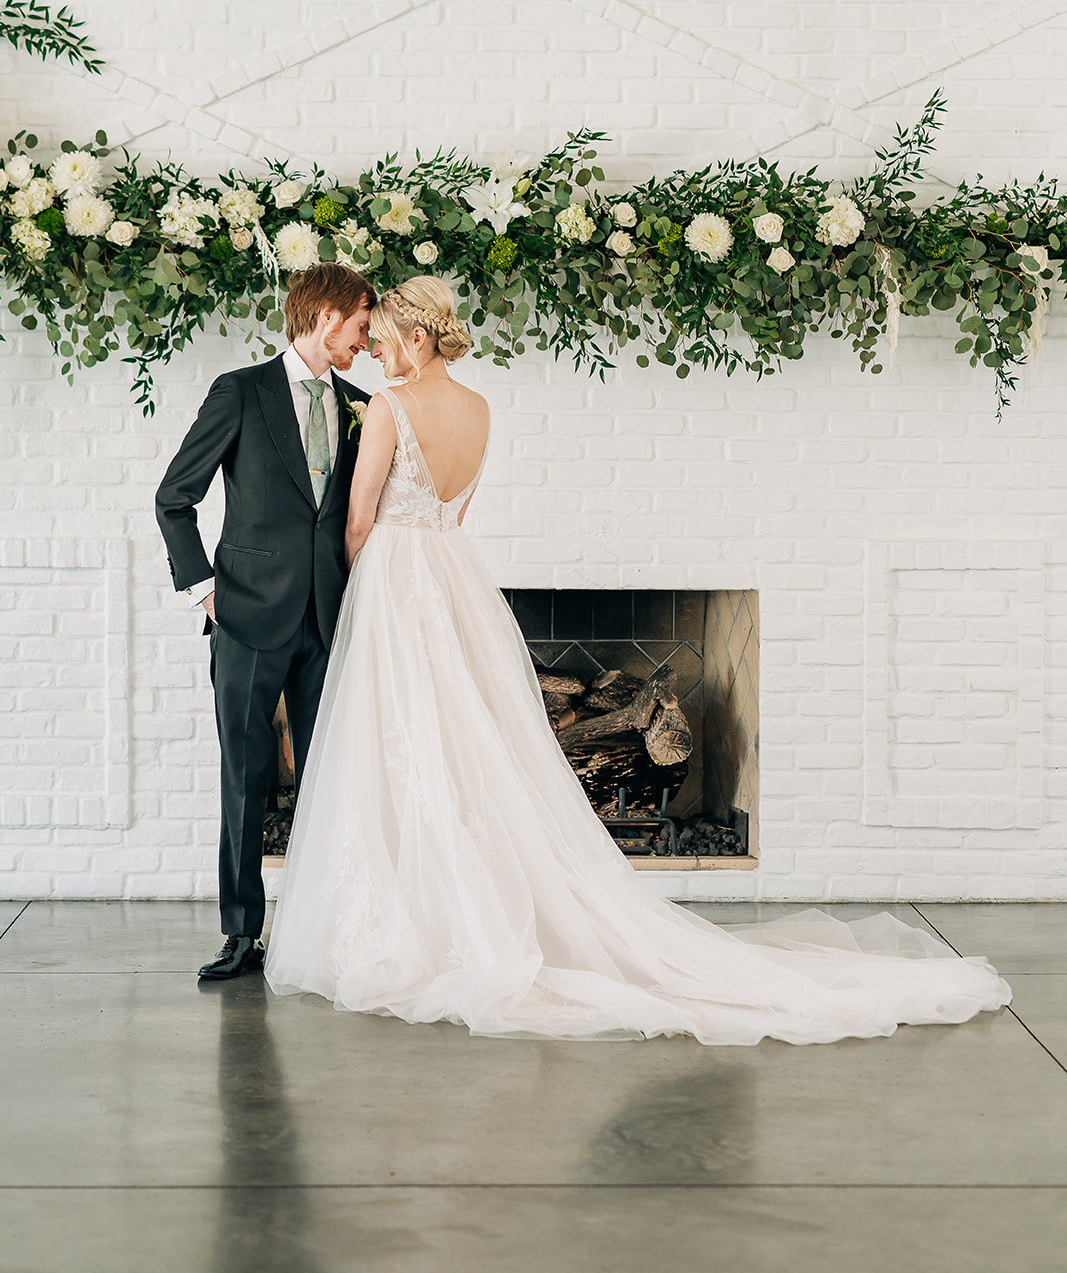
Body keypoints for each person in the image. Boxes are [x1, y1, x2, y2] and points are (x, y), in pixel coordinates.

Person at [265, 275, 1011, 1044]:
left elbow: (358, 520)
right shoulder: (480, 410)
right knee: (464, 746)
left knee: (405, 745)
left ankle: (419, 916)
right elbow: (457, 510)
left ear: (416, 338)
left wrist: (349, 598)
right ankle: (457, 905)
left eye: (382, 339)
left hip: (395, 580)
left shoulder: (389, 408)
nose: (375, 353)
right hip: (453, 576)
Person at [155, 263, 376, 981]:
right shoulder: (241, 392)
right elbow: (173, 497)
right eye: (361, 327)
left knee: (327, 779)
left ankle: (324, 932)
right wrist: (202, 589)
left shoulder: (362, 405)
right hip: (247, 614)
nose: (365, 343)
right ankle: (241, 936)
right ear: (327, 318)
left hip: (327, 615)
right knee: (246, 778)